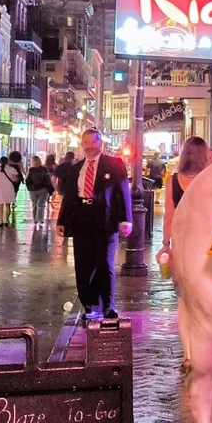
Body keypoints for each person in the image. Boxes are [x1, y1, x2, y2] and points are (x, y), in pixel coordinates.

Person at [57, 128, 133, 321]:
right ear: (82, 144)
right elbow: (69, 196)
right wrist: (62, 221)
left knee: (104, 263)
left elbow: (123, 192)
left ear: (101, 143)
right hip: (81, 218)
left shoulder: (114, 164)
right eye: (87, 142)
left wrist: (126, 219)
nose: (90, 146)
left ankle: (108, 305)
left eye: (94, 142)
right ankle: (89, 305)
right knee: (83, 264)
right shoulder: (76, 168)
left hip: (105, 219)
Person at [159, 136, 211, 259]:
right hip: (205, 238)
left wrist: (166, 243)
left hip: (181, 237)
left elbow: (169, 217)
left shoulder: (173, 181)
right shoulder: (209, 179)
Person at [0, 155, 20, 227]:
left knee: (0, 206)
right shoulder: (12, 169)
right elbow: (15, 179)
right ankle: (6, 219)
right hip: (8, 187)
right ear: (7, 162)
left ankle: (1, 221)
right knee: (7, 205)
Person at [25, 155, 54, 227]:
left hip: (33, 190)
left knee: (34, 205)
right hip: (43, 190)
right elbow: (48, 180)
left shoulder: (31, 170)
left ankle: (35, 220)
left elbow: (27, 180)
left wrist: (29, 188)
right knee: (40, 205)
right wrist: (50, 189)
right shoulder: (44, 169)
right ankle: (40, 220)